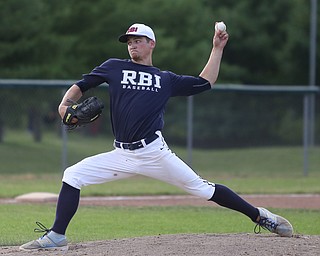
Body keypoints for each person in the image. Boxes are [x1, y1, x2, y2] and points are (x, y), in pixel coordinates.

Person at [20, 23, 293, 252]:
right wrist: (64, 106)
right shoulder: (114, 67)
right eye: (129, 41)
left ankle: (261, 216)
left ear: (152, 44)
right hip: (121, 154)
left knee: (203, 189)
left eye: (138, 40)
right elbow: (81, 86)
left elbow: (205, 82)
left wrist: (217, 49)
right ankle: (57, 236)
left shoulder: (165, 79)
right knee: (73, 175)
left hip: (153, 152)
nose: (132, 45)